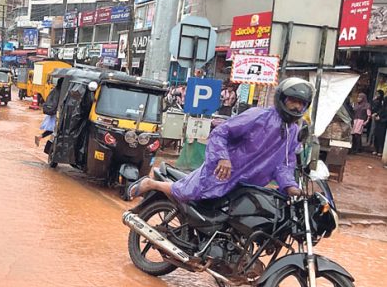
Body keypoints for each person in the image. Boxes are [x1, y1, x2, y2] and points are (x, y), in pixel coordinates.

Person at [127, 77, 314, 202]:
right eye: (293, 100)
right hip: (223, 172)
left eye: (301, 103)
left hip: (250, 185)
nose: (296, 107)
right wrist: (223, 158)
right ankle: (151, 184)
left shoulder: (293, 132)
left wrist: (290, 187)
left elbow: (285, 165)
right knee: (190, 193)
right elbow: (221, 132)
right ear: (283, 99)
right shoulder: (259, 116)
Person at [35, 80, 63, 147]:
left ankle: (40, 137)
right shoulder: (61, 92)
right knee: (56, 130)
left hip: (52, 111)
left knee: (53, 129)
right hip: (56, 113)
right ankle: (51, 145)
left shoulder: (53, 90)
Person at [372, 90, 387, 156]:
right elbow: (379, 111)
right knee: (376, 136)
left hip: (383, 125)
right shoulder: (382, 107)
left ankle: (380, 151)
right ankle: (376, 149)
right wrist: (376, 114)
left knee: (381, 137)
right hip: (378, 123)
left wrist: (380, 119)